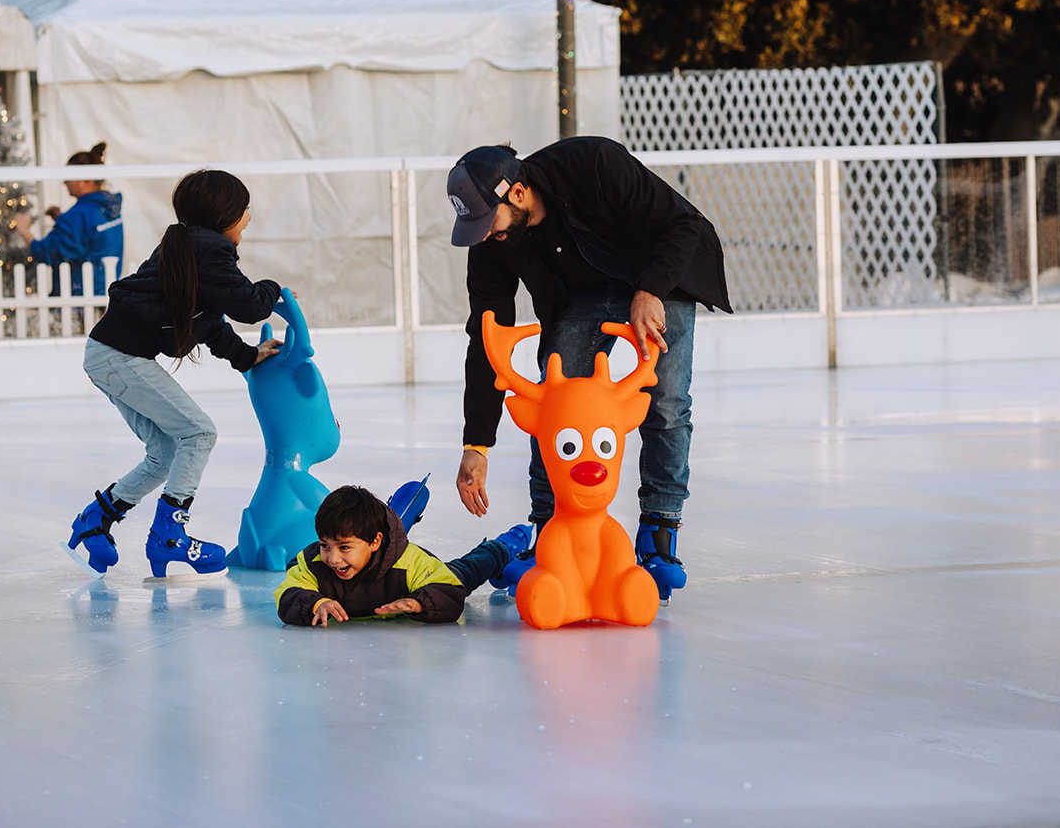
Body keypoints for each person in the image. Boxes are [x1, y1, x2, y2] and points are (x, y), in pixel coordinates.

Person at [445, 136, 733, 600]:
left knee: (665, 402)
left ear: (516, 192)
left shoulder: (592, 164)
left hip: (661, 275)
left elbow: (682, 224)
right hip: (582, 296)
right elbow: (486, 337)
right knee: (556, 402)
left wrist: (650, 290)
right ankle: (549, 529)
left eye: (487, 220)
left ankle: (659, 534)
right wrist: (476, 441)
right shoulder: (491, 243)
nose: (484, 234)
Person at [66, 169, 284, 578]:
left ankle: (96, 518)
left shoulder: (188, 247)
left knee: (165, 453)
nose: (249, 218)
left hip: (108, 354)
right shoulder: (210, 251)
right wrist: (275, 288)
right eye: (244, 209)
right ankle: (170, 536)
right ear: (226, 215)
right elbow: (250, 307)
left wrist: (246, 356)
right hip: (119, 357)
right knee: (199, 433)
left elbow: (208, 321)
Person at [274, 485, 533, 626]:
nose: (332, 558)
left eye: (344, 548)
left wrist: (420, 603)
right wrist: (316, 603)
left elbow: (450, 590)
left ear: (375, 542)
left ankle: (507, 545)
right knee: (294, 563)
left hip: (414, 582)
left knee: (464, 572)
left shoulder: (408, 562)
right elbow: (289, 591)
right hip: (387, 563)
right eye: (325, 545)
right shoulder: (314, 563)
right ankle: (394, 516)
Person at [13, 141, 124, 296]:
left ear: (87, 180)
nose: (65, 182)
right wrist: (61, 220)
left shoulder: (77, 216)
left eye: (69, 177)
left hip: (78, 302)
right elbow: (90, 238)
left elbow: (47, 253)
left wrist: (24, 230)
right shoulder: (110, 208)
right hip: (105, 294)